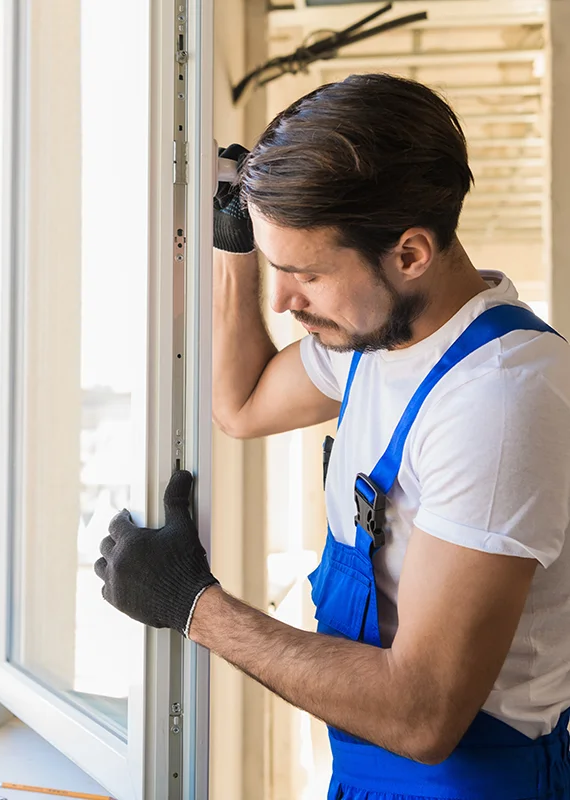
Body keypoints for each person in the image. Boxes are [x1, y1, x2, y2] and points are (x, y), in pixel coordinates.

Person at [94, 74, 570, 799]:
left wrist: (195, 606)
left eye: (305, 273)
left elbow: (423, 714)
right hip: (369, 774)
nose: (284, 301)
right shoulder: (375, 334)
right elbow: (243, 405)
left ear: (409, 254)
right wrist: (237, 251)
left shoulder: (499, 401)